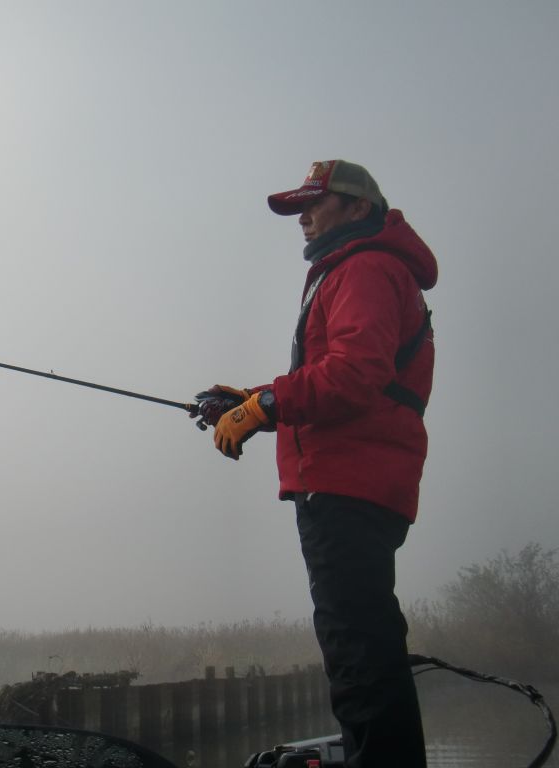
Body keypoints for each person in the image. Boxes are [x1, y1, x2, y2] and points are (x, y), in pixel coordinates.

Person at [197, 160, 437, 768]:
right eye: (298, 208)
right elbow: (338, 374)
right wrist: (252, 398)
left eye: (314, 204)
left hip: (348, 482)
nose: (302, 217)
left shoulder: (365, 267)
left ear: (358, 208)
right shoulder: (359, 267)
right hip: (355, 481)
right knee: (362, 643)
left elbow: (354, 376)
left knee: (358, 651)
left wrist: (265, 406)